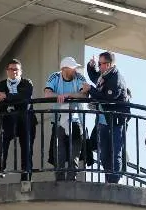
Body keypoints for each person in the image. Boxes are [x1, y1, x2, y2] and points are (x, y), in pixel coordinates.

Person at [0, 59, 36, 187]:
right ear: (7, 71)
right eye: (11, 69)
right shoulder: (0, 85)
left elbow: (24, 96)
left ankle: (26, 177)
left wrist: (6, 97)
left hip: (25, 120)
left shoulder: (26, 83)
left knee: (26, 148)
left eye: (16, 69)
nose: (13, 72)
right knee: (5, 137)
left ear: (20, 71)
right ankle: (0, 166)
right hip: (8, 118)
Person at [83, 52, 130, 184]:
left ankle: (114, 182)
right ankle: (109, 178)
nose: (99, 67)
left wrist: (91, 90)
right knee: (103, 153)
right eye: (98, 64)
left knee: (116, 152)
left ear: (108, 64)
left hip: (116, 121)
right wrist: (90, 66)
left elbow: (109, 98)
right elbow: (94, 76)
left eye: (100, 64)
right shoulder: (104, 75)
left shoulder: (116, 78)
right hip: (103, 121)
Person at [44, 56, 89, 181]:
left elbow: (84, 95)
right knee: (59, 153)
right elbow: (47, 93)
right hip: (59, 121)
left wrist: (67, 95)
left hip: (76, 121)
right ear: (64, 69)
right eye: (72, 68)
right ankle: (59, 180)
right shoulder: (55, 76)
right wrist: (59, 96)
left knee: (74, 154)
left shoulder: (79, 77)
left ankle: (71, 180)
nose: (75, 70)